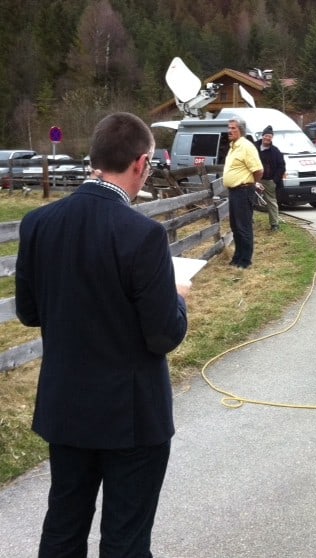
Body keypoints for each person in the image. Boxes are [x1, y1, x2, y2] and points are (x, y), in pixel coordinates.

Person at [15, 112, 190, 557]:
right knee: (125, 540)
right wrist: (177, 296)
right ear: (142, 163)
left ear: (95, 158)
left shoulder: (39, 223)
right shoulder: (143, 234)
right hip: (130, 416)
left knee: (62, 529)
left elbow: (29, 312)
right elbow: (163, 335)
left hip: (66, 406)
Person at [223, 117, 264, 268]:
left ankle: (245, 261)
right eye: (229, 128)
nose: (230, 131)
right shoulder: (233, 146)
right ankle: (237, 257)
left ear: (241, 130)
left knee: (243, 226)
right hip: (234, 192)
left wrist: (251, 184)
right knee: (235, 226)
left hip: (243, 190)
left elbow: (258, 170)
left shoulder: (247, 146)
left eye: (233, 128)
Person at [254, 125, 286, 231]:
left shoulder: (275, 151)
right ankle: (248, 221)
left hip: (268, 180)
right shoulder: (253, 148)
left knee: (271, 202)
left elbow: (282, 166)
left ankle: (274, 224)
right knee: (248, 199)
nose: (268, 138)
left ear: (272, 138)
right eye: (266, 135)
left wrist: (275, 180)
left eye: (270, 136)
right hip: (253, 179)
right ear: (262, 136)